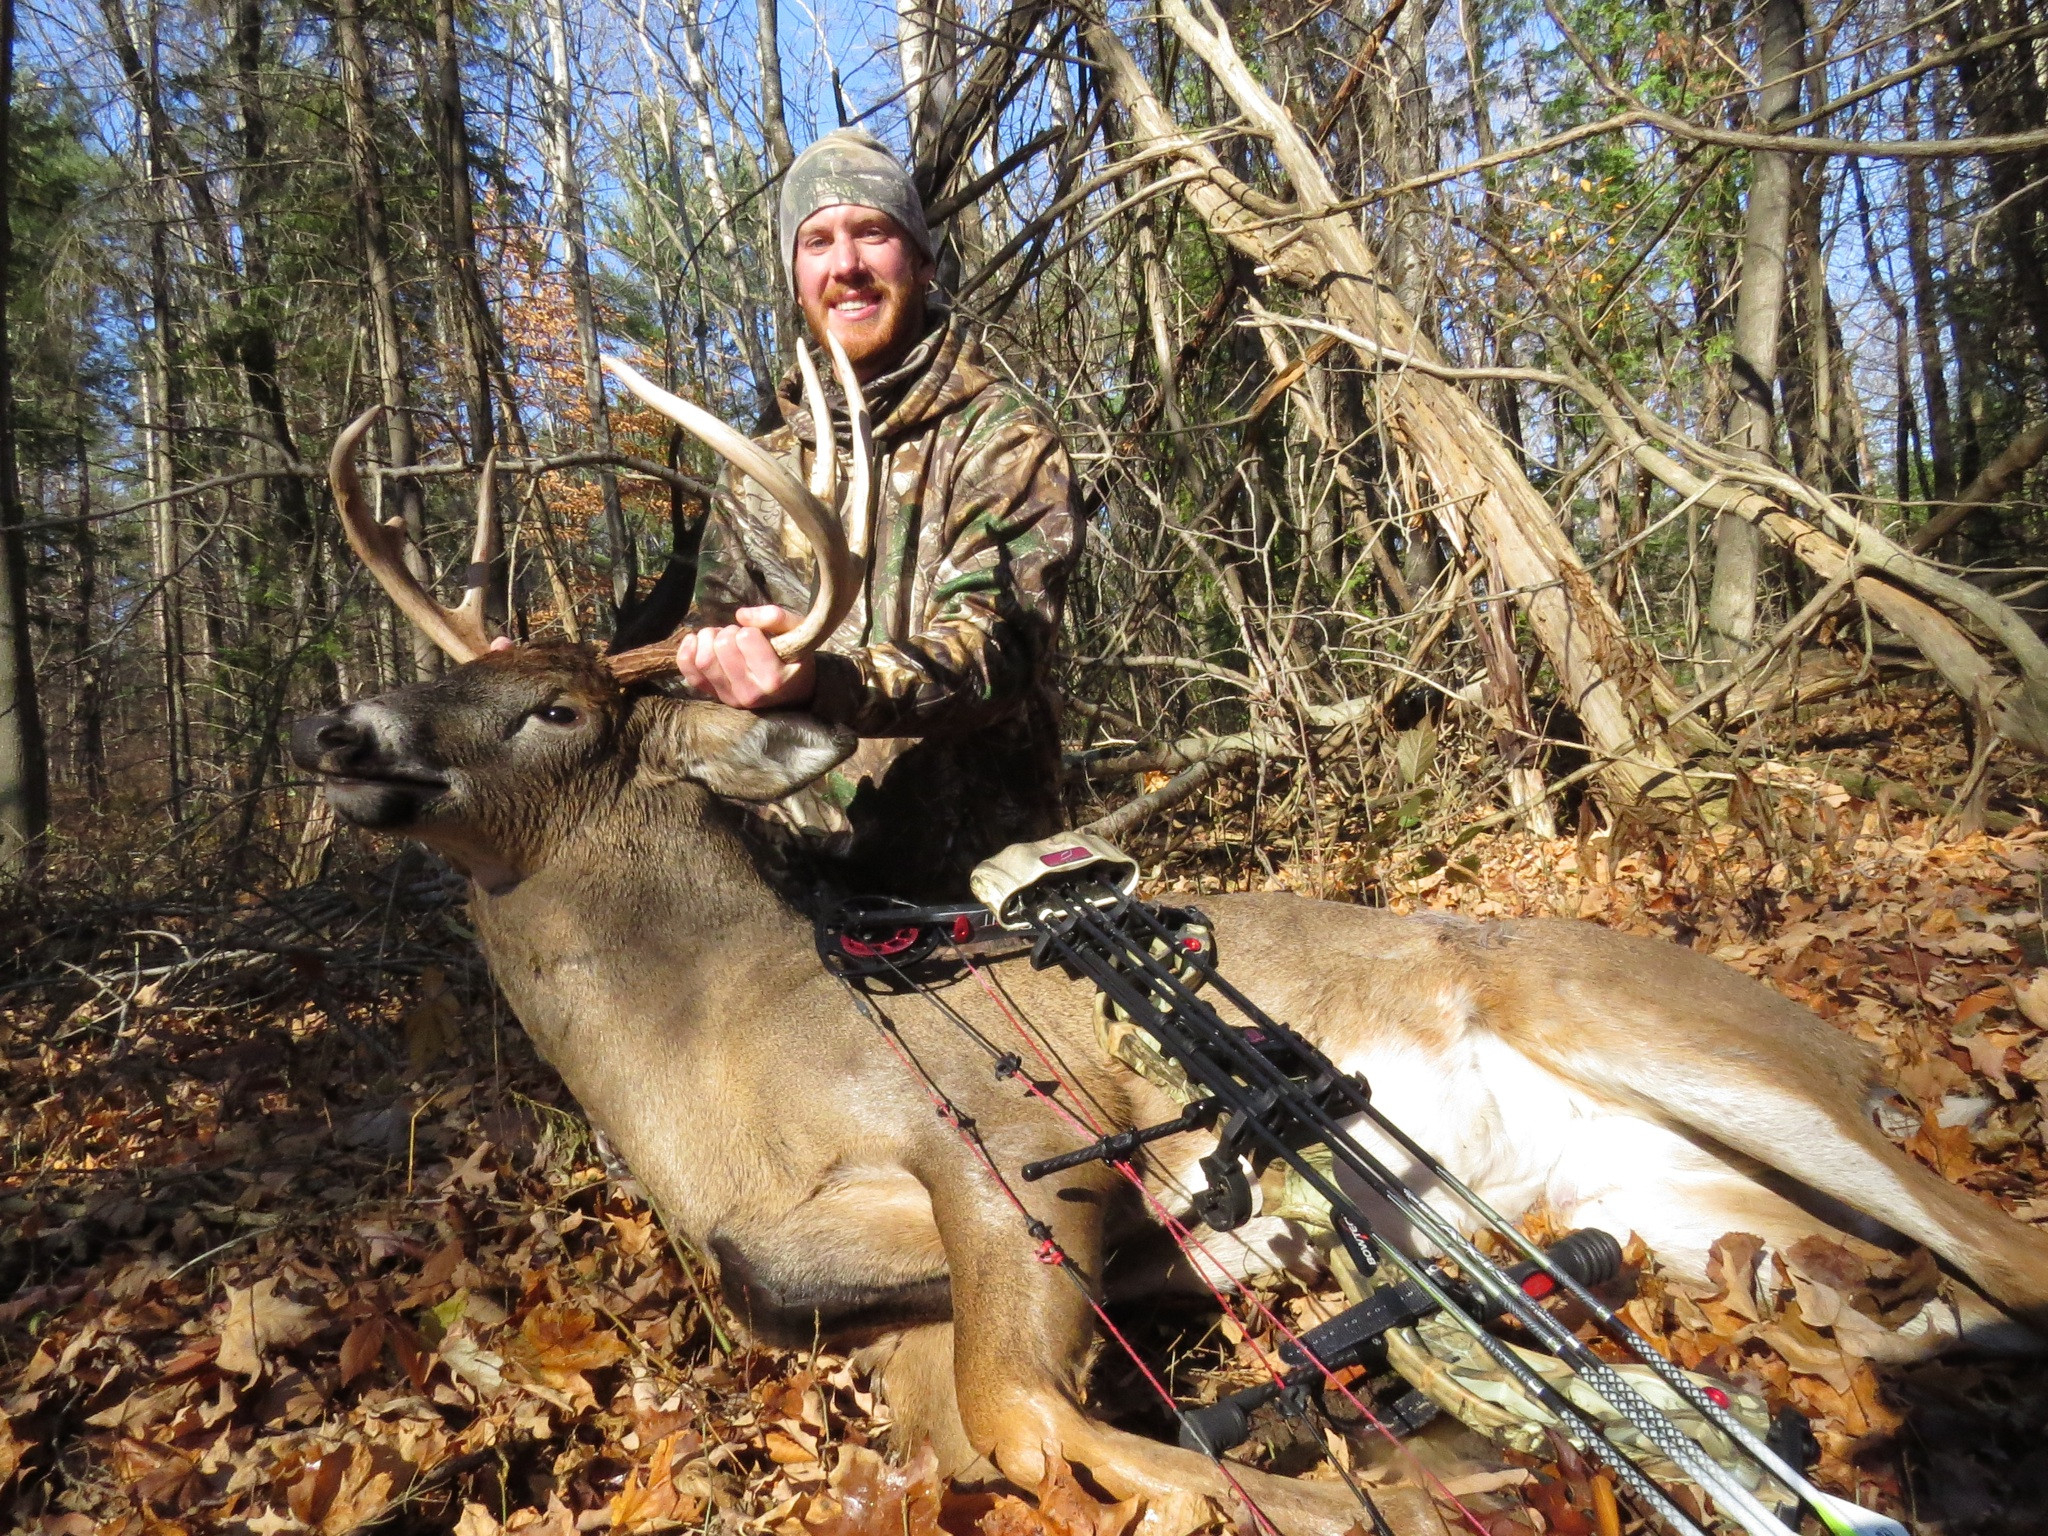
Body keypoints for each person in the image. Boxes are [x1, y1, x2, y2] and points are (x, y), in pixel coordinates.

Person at [675, 129, 1079, 900]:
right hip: (791, 891)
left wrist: (819, 683)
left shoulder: (1002, 438)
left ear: (923, 265)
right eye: (817, 241)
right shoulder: (758, 474)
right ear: (797, 278)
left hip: (977, 888)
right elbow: (701, 648)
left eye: (873, 233)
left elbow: (996, 651)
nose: (846, 264)